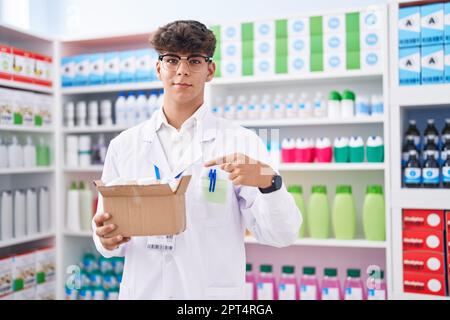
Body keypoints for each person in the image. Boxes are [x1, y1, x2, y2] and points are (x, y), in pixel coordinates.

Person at [92, 20, 302, 299]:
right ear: (159, 68)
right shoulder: (124, 145)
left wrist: (269, 182)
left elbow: (281, 234)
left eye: (194, 60)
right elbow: (108, 235)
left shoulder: (241, 141)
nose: (182, 70)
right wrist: (105, 239)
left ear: (210, 70)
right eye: (171, 60)